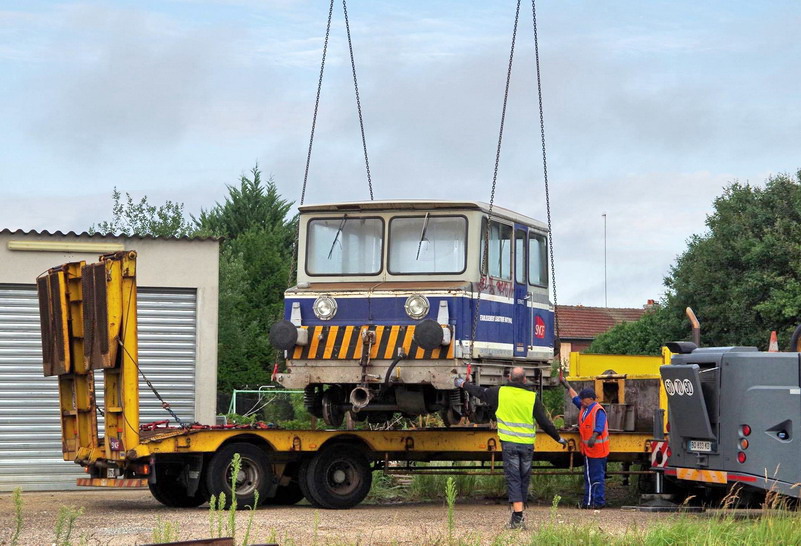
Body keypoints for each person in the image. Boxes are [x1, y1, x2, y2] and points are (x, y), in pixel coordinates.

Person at [455, 367, 567, 529]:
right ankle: (518, 515)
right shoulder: (531, 397)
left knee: (514, 478)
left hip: (509, 444)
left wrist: (462, 384)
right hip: (527, 445)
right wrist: (558, 438)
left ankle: (517, 518)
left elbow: (478, 392)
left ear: (509, 378)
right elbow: (544, 422)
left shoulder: (499, 392)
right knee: (523, 478)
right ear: (524, 380)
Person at [562, 379, 609, 509]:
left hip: (595, 450)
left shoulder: (597, 410)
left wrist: (594, 436)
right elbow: (575, 398)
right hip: (591, 450)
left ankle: (590, 503)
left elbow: (599, 426)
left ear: (590, 399)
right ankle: (596, 501)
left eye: (583, 399)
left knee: (592, 477)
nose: (581, 401)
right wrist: (567, 386)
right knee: (594, 476)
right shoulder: (585, 408)